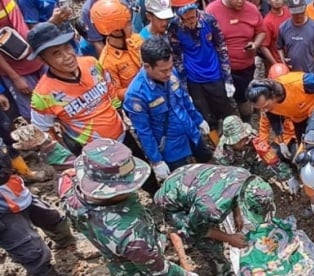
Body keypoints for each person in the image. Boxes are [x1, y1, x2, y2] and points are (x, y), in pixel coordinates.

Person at [11, 126, 212, 276]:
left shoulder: (71, 189)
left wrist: (46, 143)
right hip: (143, 274)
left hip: (121, 260)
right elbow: (160, 271)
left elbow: (67, 165)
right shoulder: (129, 233)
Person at [27, 22, 159, 195]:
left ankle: (157, 198)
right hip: (94, 153)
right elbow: (43, 135)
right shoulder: (42, 96)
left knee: (143, 171)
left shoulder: (91, 64)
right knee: (113, 190)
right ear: (43, 59)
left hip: (121, 135)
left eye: (67, 48)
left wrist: (118, 116)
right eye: (56, 53)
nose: (67, 56)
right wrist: (69, 161)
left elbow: (110, 90)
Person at [154, 164, 276, 276]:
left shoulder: (245, 176)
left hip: (188, 179)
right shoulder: (211, 209)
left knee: (205, 218)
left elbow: (235, 193)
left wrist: (237, 212)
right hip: (172, 202)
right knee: (207, 243)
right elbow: (197, 230)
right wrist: (229, 238)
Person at [0, 142, 90, 276]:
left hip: (15, 192)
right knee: (32, 251)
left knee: (53, 218)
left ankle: (66, 242)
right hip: (3, 214)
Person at [124, 36, 213, 181]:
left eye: (170, 68)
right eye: (163, 70)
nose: (168, 73)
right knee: (185, 182)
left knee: (209, 164)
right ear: (147, 67)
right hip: (171, 147)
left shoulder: (171, 74)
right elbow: (144, 132)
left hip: (190, 132)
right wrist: (156, 160)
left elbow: (184, 99)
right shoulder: (137, 95)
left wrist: (198, 120)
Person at [168, 0, 237, 145]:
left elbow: (221, 46)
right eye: (186, 19)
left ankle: (234, 141)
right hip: (193, 77)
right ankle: (217, 145)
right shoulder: (174, 27)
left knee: (225, 110)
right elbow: (176, 56)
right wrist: (184, 86)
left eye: (192, 17)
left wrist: (228, 78)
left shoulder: (209, 20)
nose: (190, 22)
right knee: (204, 114)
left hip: (214, 73)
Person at [245, 72, 314, 143]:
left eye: (266, 106)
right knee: (304, 144)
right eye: (261, 108)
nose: (265, 110)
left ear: (273, 95)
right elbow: (272, 117)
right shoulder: (267, 107)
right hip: (298, 118)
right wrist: (281, 139)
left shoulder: (300, 83)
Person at [206, 0, 267, 122]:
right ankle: (226, 127)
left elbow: (261, 31)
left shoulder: (251, 9)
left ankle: (247, 123)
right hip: (220, 69)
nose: (240, 1)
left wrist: (255, 44)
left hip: (245, 67)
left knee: (244, 99)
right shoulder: (212, 11)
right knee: (223, 102)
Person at [214, 115, 300, 196]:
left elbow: (270, 156)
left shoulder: (251, 137)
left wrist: (288, 176)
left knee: (269, 169)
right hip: (239, 176)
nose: (243, 142)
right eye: (238, 141)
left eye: (243, 138)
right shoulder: (221, 156)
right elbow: (229, 181)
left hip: (254, 165)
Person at [0, 0, 46, 120]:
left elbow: (25, 28)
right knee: (33, 111)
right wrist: (15, 78)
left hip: (37, 58)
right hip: (16, 70)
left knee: (56, 98)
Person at [92, 0, 144, 101]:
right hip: (138, 101)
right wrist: (141, 89)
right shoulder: (106, 63)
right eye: (127, 24)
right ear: (115, 31)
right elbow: (115, 93)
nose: (131, 26)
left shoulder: (137, 39)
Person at [277, 0, 314, 75]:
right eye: (295, 13)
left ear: (305, 9)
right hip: (290, 74)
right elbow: (279, 47)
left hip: (309, 74)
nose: (298, 16)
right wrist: (283, 60)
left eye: (300, 13)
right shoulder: (283, 27)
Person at [260, 0, 290, 66]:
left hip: (295, 59)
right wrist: (275, 64)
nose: (277, 0)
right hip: (280, 62)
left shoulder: (289, 12)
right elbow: (264, 47)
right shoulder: (267, 22)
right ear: (268, 1)